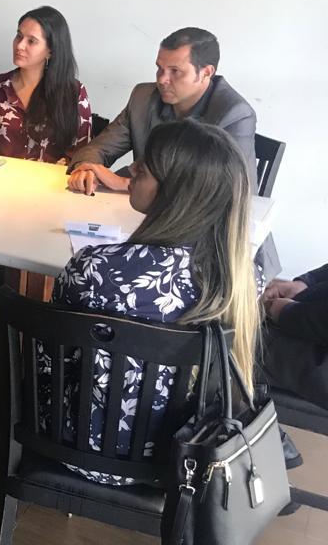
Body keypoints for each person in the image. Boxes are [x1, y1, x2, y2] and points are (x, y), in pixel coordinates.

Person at [44, 119, 260, 485]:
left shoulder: (97, 268)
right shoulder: (243, 278)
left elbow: (52, 360)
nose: (131, 169)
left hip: (77, 445)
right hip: (186, 458)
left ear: (174, 191)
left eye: (143, 168)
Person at [66, 26, 279, 277]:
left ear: (206, 73)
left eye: (175, 71)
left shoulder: (233, 113)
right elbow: (97, 148)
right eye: (159, 68)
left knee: (95, 275)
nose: (161, 79)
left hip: (217, 251)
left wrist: (125, 182)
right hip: (143, 224)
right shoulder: (143, 98)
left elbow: (231, 196)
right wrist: (87, 169)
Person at [0, 6, 91, 162]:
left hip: (51, 183)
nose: (20, 45)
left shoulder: (73, 92)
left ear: (51, 50)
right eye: (18, 36)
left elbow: (83, 155)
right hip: (2, 180)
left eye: (32, 41)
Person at [261, 264, 328, 409]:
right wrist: (306, 282)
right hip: (307, 310)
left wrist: (288, 313)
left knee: (232, 342)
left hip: (319, 355)